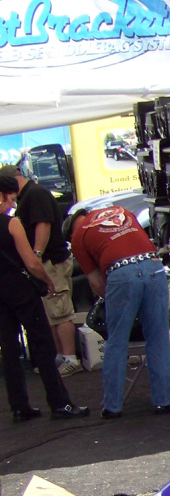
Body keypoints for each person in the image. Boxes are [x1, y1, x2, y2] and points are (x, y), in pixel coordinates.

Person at [0, 172, 89, 422]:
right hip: (22, 291)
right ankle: (59, 403)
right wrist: (46, 280)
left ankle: (19, 406)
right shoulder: (12, 224)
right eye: (10, 198)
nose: (12, 203)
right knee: (42, 344)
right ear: (5, 195)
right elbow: (31, 262)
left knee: (9, 349)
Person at [68, 205, 170, 418]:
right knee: (158, 338)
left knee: (116, 342)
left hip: (121, 273)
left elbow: (96, 283)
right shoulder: (120, 210)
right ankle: (162, 402)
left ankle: (113, 407)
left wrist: (115, 301)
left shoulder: (78, 237)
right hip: (153, 265)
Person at [8, 163, 80, 375]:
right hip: (46, 261)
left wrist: (36, 255)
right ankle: (59, 357)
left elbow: (43, 224)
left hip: (51, 261)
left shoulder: (35, 194)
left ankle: (70, 358)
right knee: (51, 312)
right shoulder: (28, 196)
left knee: (60, 310)